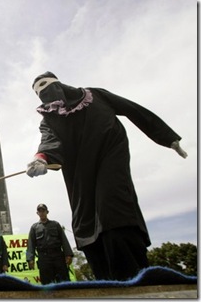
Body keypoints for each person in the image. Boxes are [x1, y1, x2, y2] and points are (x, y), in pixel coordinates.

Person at [26, 71, 187, 281]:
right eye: (40, 95)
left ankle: (132, 272)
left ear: (59, 85)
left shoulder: (96, 96)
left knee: (112, 205)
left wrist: (166, 137)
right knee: (85, 218)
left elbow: (132, 109)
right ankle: (106, 277)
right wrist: (41, 158)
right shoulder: (50, 119)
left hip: (110, 154)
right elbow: (49, 140)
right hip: (80, 171)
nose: (46, 98)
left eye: (47, 90)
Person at [26, 203, 73, 285]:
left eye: (43, 211)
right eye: (39, 211)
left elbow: (63, 240)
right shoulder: (34, 227)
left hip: (58, 256)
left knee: (64, 282)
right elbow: (31, 244)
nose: (41, 213)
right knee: (47, 285)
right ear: (37, 213)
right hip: (44, 258)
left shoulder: (55, 224)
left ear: (47, 212)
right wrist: (30, 259)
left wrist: (68, 254)